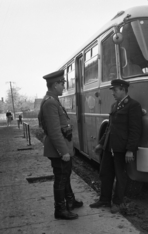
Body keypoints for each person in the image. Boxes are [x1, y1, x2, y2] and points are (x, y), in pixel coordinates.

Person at [89, 79, 142, 214]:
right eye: (112, 90)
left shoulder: (133, 106)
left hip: (121, 148)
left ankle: (117, 203)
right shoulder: (114, 106)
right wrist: (101, 143)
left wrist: (130, 150)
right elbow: (109, 128)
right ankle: (104, 199)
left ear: (123, 89)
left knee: (120, 176)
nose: (113, 93)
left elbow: (135, 130)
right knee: (105, 174)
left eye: (115, 90)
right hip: (109, 147)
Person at [38, 70, 83, 220]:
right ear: (55, 84)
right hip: (58, 149)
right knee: (61, 179)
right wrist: (63, 152)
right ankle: (60, 209)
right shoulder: (50, 102)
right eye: (62, 83)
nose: (64, 85)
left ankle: (70, 200)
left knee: (65, 176)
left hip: (61, 147)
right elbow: (54, 131)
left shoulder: (52, 100)